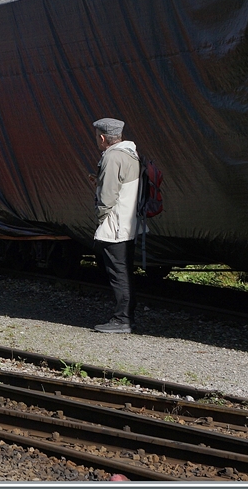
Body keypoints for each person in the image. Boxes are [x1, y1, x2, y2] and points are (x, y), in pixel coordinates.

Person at [90, 117, 140, 333]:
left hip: (115, 225)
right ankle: (126, 317)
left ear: (102, 137)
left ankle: (122, 320)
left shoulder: (112, 157)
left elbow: (109, 195)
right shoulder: (131, 153)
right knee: (125, 271)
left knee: (118, 273)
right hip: (129, 223)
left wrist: (100, 215)